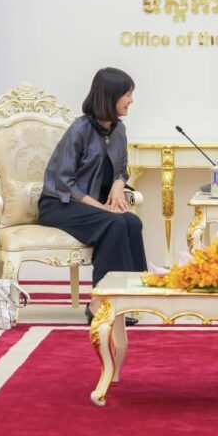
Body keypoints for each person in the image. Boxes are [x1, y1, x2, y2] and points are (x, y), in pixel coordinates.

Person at [38, 68, 147, 322]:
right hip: (59, 204)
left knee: (132, 222)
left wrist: (119, 184)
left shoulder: (119, 131)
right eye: (127, 94)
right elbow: (64, 182)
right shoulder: (80, 129)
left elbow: (121, 169)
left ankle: (128, 296)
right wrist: (100, 207)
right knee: (114, 222)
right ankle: (100, 302)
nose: (131, 100)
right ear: (111, 96)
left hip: (90, 207)